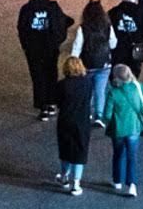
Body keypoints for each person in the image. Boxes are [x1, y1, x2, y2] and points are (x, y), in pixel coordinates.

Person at [17, 0, 74, 119]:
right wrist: (58, 41)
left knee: (37, 76)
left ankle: (42, 107)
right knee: (51, 73)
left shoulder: (26, 9)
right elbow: (63, 22)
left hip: (33, 50)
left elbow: (21, 29)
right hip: (50, 48)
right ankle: (51, 103)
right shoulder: (53, 7)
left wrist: (26, 46)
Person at [102, 63, 143, 197]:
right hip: (134, 128)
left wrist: (109, 120)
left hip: (118, 129)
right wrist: (141, 107)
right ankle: (132, 185)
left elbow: (107, 114)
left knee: (118, 154)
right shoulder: (137, 87)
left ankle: (117, 180)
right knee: (132, 157)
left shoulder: (113, 93)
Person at [70, 0, 117, 123]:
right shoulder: (107, 27)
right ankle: (99, 116)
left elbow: (77, 47)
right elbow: (113, 44)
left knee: (88, 89)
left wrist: (72, 62)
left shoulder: (83, 28)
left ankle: (87, 113)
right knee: (100, 90)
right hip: (104, 64)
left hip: (87, 64)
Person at [55, 57, 93, 196]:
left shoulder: (62, 85)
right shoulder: (88, 83)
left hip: (65, 120)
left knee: (65, 150)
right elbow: (89, 99)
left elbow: (57, 101)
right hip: (82, 121)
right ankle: (76, 184)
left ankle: (64, 176)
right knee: (80, 151)